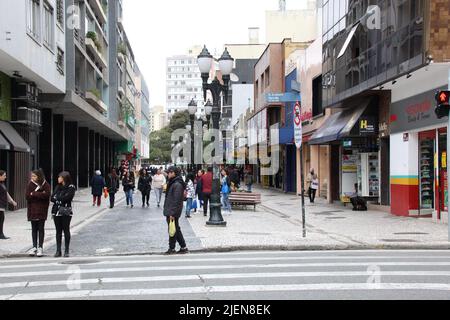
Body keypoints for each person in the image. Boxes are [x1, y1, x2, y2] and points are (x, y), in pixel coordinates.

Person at [25, 169, 51, 257]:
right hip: (32, 210)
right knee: (34, 229)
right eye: (32, 176)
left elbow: (47, 195)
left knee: (41, 228)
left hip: (42, 210)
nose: (32, 178)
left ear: (39, 176)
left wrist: (35, 194)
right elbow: (27, 196)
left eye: (34, 176)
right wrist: (39, 194)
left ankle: (40, 247)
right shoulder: (30, 184)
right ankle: (34, 246)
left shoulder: (45, 184)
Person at [163, 166, 188, 255]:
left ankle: (172, 248)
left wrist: (172, 213)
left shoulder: (177, 184)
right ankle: (183, 247)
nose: (167, 174)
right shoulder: (173, 182)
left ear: (173, 173)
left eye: (169, 172)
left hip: (172, 211)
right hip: (171, 209)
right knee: (175, 229)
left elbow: (176, 200)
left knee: (173, 229)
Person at [51, 172, 76, 258]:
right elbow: (52, 198)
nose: (58, 178)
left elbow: (68, 198)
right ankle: (58, 250)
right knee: (58, 231)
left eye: (60, 177)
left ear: (64, 178)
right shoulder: (58, 187)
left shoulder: (71, 187)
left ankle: (66, 250)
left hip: (66, 211)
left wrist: (58, 199)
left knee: (66, 229)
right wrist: (58, 199)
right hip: (56, 210)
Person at [0, 170, 17, 240]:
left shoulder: (2, 184)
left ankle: (1, 234)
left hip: (2, 205)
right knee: (1, 219)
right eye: (4, 175)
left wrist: (12, 201)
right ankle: (1, 234)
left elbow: (6, 194)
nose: (5, 177)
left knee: (1, 219)